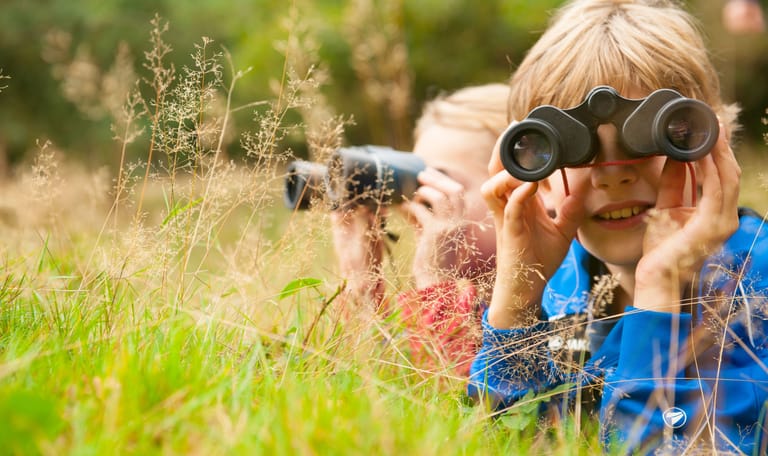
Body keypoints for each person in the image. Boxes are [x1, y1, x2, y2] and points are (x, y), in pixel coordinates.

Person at [468, 0, 768, 454]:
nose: (613, 174)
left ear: (712, 140)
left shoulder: (756, 294)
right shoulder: (565, 283)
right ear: (532, 164)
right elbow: (511, 443)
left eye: (652, 135)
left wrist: (660, 286)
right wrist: (518, 301)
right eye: (575, 147)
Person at [331, 83, 509, 376]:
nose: (421, 199)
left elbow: (457, 406)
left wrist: (435, 280)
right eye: (417, 182)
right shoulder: (466, 302)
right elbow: (384, 394)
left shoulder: (563, 298)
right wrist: (361, 282)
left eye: (441, 181)